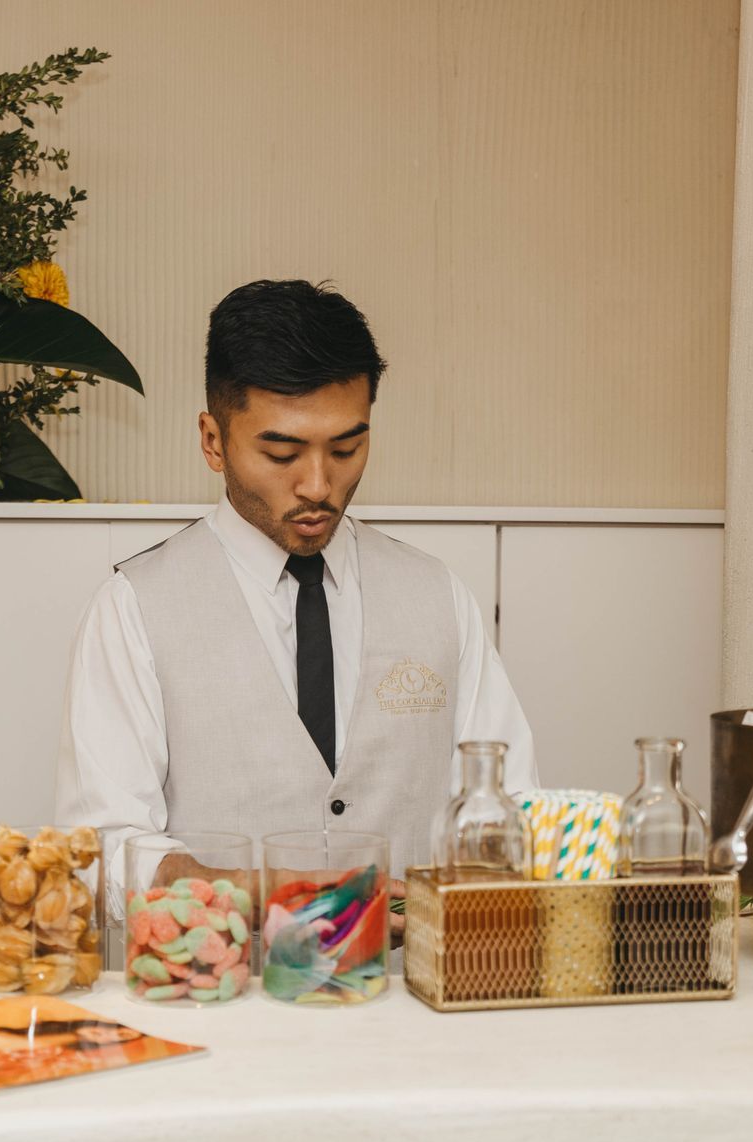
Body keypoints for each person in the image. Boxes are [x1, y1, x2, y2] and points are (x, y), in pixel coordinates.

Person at [56, 279, 538, 937]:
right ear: (213, 440)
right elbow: (101, 846)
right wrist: (247, 893)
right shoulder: (133, 608)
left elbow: (511, 806)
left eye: (346, 449)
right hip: (223, 991)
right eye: (281, 453)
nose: (317, 485)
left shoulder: (438, 596)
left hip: (414, 991)